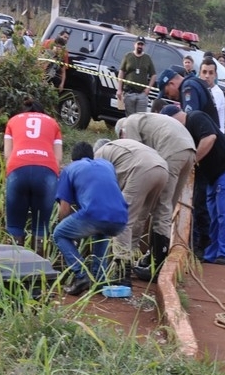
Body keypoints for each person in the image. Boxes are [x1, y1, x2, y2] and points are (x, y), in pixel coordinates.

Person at [115, 112, 197, 280]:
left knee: (162, 206)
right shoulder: (145, 119)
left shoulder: (128, 123)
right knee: (168, 206)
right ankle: (155, 259)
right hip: (189, 150)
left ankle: (156, 265)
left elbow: (136, 158)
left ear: (121, 132)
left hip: (172, 149)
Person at [160, 106, 225, 265]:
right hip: (211, 174)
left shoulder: (196, 117)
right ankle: (212, 252)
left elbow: (210, 138)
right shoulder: (185, 131)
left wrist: (193, 160)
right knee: (214, 213)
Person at [158, 59, 219, 259]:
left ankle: (200, 247)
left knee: (199, 200)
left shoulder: (189, 88)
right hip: (209, 147)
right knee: (203, 199)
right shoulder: (194, 83)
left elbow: (189, 123)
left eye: (168, 93)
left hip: (205, 149)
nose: (170, 96)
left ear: (171, 84)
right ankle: (203, 244)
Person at [54, 141, 129, 296]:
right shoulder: (107, 165)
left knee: (59, 234)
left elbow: (65, 209)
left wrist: (64, 224)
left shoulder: (70, 169)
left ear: (73, 159)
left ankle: (81, 276)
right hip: (120, 218)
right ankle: (99, 280)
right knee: (101, 232)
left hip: (94, 214)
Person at [93, 137, 169, 286]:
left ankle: (122, 273)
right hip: (162, 168)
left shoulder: (99, 154)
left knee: (123, 219)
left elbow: (102, 185)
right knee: (140, 218)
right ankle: (129, 259)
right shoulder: (121, 148)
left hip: (143, 169)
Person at [3, 98, 63, 248]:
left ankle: (14, 267)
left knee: (15, 226)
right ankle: (39, 269)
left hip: (18, 169)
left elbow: (7, 155)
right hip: (46, 172)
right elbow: (58, 158)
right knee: (41, 227)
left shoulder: (13, 121)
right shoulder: (53, 123)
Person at [116, 36, 157, 116]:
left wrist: (148, 88)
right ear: (134, 44)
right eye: (138, 44)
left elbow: (154, 75)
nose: (140, 46)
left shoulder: (147, 58)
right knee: (130, 118)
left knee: (140, 118)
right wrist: (119, 89)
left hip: (142, 94)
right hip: (129, 93)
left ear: (144, 46)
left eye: (142, 45)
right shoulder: (128, 56)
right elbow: (121, 72)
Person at [200, 56, 225, 133]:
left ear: (215, 75)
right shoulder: (199, 89)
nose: (207, 76)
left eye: (210, 73)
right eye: (204, 72)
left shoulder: (217, 93)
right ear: (200, 73)